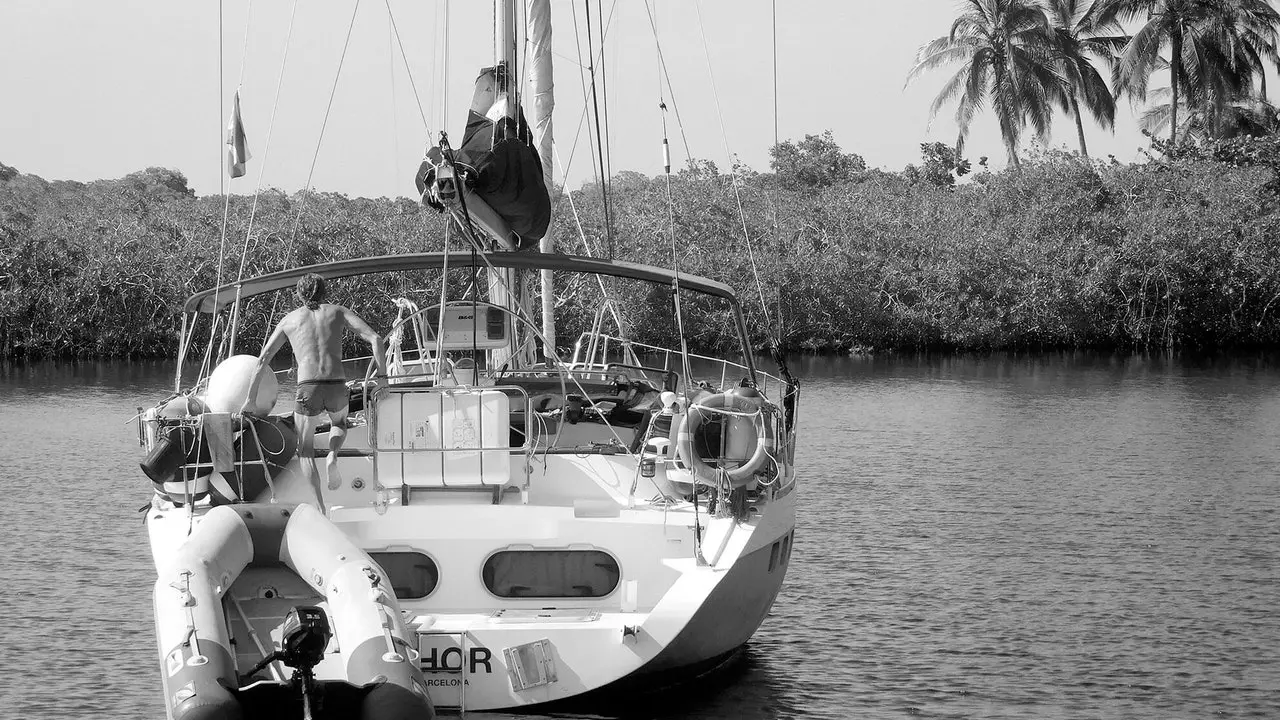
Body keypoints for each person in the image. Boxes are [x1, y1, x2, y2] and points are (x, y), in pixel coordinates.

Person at [244, 273, 386, 500]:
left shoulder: (289, 320)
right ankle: (333, 455)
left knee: (305, 450)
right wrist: (383, 378)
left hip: (307, 388)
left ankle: (320, 505)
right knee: (339, 423)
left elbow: (263, 360)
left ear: (299, 294)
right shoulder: (338, 312)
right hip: (337, 385)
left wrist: (250, 400)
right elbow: (376, 339)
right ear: (325, 292)